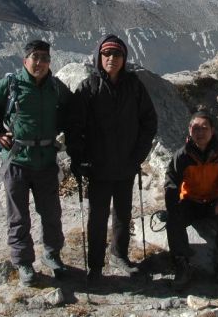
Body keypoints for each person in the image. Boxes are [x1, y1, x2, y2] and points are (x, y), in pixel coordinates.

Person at [0, 39, 72, 286]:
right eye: (35, 57)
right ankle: (24, 263)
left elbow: (73, 109)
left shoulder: (55, 87)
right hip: (17, 160)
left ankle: (52, 254)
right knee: (18, 217)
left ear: (50, 62)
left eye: (45, 58)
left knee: (51, 213)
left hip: (46, 160)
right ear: (25, 60)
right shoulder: (11, 85)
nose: (40, 63)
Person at [67, 34, 158, 283]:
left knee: (123, 214)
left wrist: (138, 156)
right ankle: (95, 265)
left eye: (117, 55)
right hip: (98, 166)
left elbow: (149, 121)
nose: (111, 59)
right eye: (107, 54)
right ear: (99, 57)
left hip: (126, 165)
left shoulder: (135, 86)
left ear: (124, 59)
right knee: (97, 217)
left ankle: (119, 255)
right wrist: (80, 158)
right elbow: (75, 127)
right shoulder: (88, 87)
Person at [164, 111, 218, 290]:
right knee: (173, 219)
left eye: (204, 128)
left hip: (214, 201)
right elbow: (171, 182)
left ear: (212, 131)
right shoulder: (182, 155)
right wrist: (172, 206)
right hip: (190, 201)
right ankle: (182, 264)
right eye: (196, 128)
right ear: (189, 130)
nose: (200, 132)